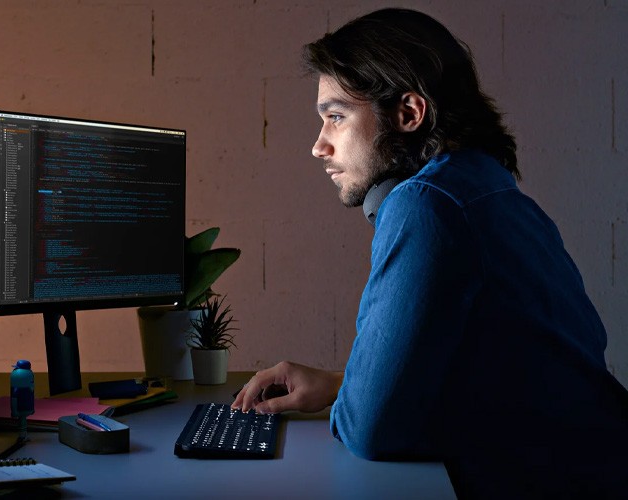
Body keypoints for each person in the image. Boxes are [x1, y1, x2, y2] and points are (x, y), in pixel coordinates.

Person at [231, 8, 628, 497]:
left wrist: (354, 404)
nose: (319, 146)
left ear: (409, 114)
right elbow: (504, 377)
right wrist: (340, 384)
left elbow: (370, 431)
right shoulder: (488, 190)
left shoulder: (426, 207)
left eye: (335, 117)